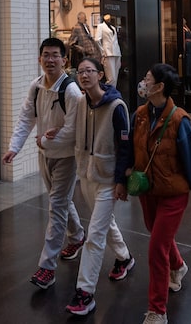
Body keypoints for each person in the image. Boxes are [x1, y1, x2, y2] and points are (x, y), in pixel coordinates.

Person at [132, 63, 191, 324]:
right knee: (155, 232)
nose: (143, 83)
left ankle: (157, 310)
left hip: (173, 193)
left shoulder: (179, 119)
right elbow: (131, 149)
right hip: (148, 190)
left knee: (156, 247)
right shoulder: (141, 115)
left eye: (147, 79)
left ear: (159, 87)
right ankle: (178, 266)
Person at [3, 37, 85, 289]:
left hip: (65, 158)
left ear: (64, 60)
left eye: (55, 55)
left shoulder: (71, 91)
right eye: (45, 55)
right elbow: (26, 117)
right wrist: (14, 147)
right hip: (45, 155)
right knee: (59, 202)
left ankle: (46, 267)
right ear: (39, 59)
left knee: (57, 206)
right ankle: (78, 235)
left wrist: (45, 141)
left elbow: (73, 130)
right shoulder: (36, 86)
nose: (50, 60)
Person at [65, 57, 135, 316]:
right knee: (104, 223)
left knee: (94, 235)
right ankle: (125, 257)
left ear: (100, 75)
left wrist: (121, 182)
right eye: (80, 72)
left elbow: (125, 146)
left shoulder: (117, 106)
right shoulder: (82, 102)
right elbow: (72, 131)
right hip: (86, 174)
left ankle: (85, 293)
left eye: (89, 71)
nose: (84, 76)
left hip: (107, 179)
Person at [95, 14, 122, 87]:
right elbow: (97, 39)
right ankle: (107, 93)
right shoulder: (101, 26)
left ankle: (114, 95)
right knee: (111, 78)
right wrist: (102, 51)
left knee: (115, 77)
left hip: (117, 53)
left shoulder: (113, 27)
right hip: (108, 53)